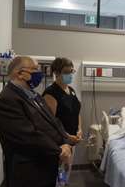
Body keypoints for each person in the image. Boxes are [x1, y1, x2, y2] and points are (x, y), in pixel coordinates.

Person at [0, 56, 72, 187]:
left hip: (47, 165)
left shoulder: (34, 95)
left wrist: (66, 142)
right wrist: (59, 151)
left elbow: (54, 121)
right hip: (29, 172)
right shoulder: (7, 100)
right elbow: (28, 136)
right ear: (20, 74)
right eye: (35, 69)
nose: (40, 73)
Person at [43, 57, 82, 185]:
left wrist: (79, 129)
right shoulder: (51, 93)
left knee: (66, 173)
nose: (70, 74)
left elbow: (77, 112)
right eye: (66, 72)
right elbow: (50, 122)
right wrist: (66, 136)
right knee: (58, 175)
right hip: (60, 142)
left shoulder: (71, 91)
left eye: (71, 71)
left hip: (72, 139)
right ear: (56, 73)